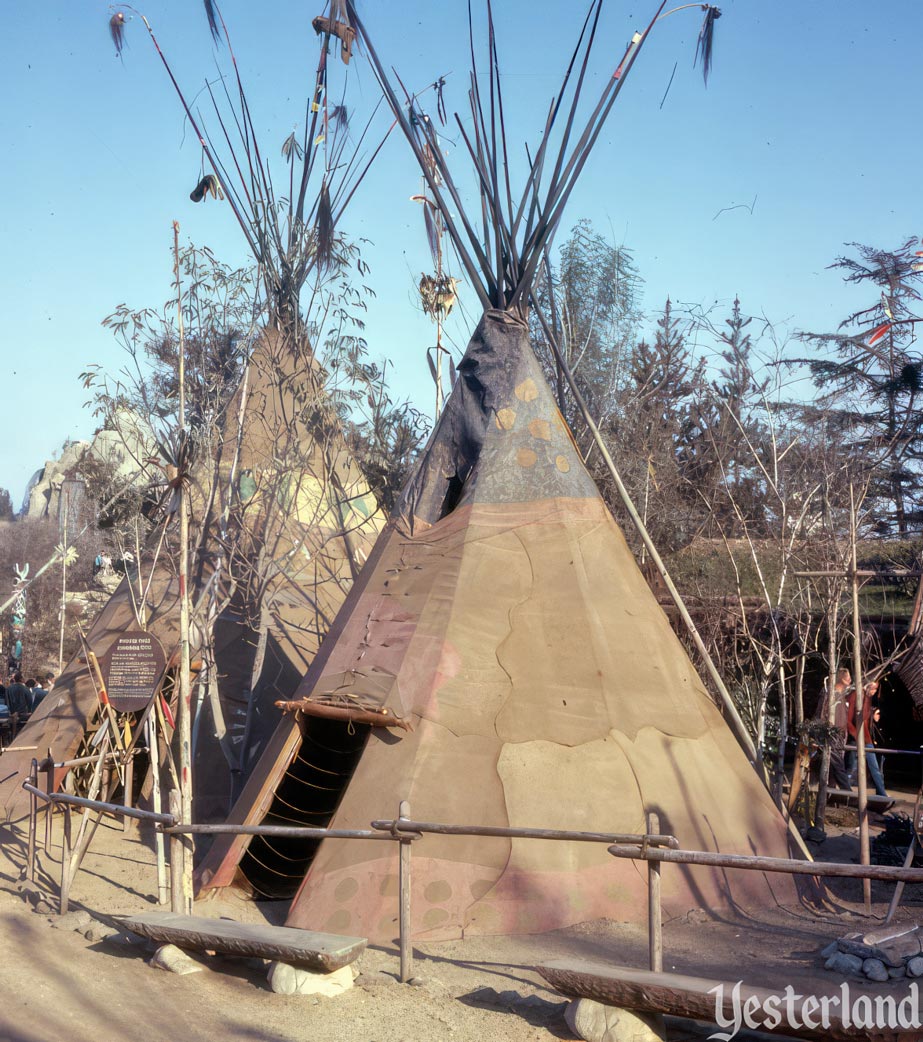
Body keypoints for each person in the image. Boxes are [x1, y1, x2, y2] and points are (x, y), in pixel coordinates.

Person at [847, 679, 888, 798]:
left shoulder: (867, 698)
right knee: (851, 767)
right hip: (856, 737)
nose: (874, 691)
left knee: (874, 767)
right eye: (873, 688)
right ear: (867, 686)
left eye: (876, 689)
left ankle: (882, 793)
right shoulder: (856, 695)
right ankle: (845, 792)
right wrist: (855, 735)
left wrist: (869, 701)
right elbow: (850, 719)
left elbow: (864, 716)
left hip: (866, 738)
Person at [827, 667, 853, 791]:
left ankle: (831, 792)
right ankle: (848, 794)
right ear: (842, 679)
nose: (850, 680)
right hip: (833, 734)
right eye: (848, 678)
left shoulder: (842, 696)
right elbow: (822, 712)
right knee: (837, 765)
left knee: (835, 766)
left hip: (840, 735)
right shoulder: (831, 694)